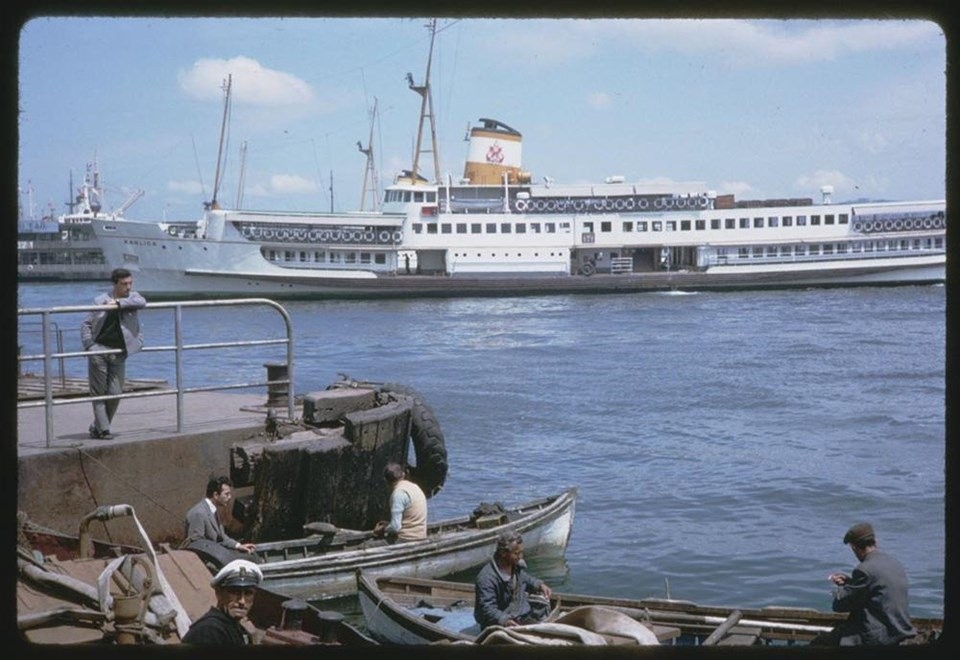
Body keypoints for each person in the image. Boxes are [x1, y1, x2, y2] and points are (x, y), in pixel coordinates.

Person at [812, 522, 917, 646]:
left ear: (854, 548)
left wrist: (840, 588)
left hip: (880, 637)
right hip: (900, 630)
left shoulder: (864, 569)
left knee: (818, 644)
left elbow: (840, 606)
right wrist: (851, 583)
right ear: (875, 541)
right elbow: (875, 589)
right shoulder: (894, 563)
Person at [80, 267, 146, 439]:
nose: (128, 287)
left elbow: (142, 302)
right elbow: (86, 324)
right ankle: (103, 430)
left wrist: (117, 305)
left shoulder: (133, 297)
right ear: (115, 284)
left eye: (130, 283)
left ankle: (97, 426)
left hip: (120, 351)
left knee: (116, 392)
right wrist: (89, 345)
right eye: (124, 284)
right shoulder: (99, 300)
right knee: (99, 392)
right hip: (99, 349)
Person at [474, 531, 553, 629]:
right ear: (503, 553)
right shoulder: (486, 578)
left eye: (521, 552)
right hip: (499, 624)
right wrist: (504, 620)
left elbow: (524, 578)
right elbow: (487, 609)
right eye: (516, 553)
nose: (520, 557)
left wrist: (539, 585)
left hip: (520, 616)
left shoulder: (515, 567)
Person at [182, 559, 262, 644]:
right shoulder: (209, 631)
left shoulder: (232, 626)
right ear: (219, 593)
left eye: (248, 593)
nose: (242, 601)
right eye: (235, 592)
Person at [183, 476, 256, 554]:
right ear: (216, 495)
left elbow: (222, 537)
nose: (230, 497)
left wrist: (238, 545)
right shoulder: (198, 513)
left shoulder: (213, 510)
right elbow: (196, 545)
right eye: (226, 494)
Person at [372, 462, 428, 542]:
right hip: (421, 536)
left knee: (366, 546)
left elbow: (395, 527)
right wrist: (388, 524)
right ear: (403, 475)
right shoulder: (415, 487)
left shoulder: (398, 494)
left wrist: (382, 529)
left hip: (406, 538)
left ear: (386, 481)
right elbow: (409, 519)